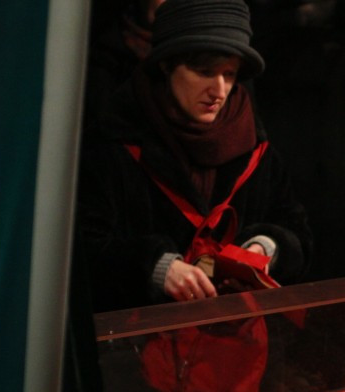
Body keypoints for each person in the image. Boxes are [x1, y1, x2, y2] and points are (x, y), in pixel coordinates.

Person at [77, 0, 312, 312]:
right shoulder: (112, 144)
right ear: (166, 63)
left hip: (238, 343)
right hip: (134, 344)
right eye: (204, 72)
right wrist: (157, 268)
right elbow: (80, 250)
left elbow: (296, 230)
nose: (219, 90)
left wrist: (264, 248)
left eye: (230, 74)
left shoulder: (253, 144)